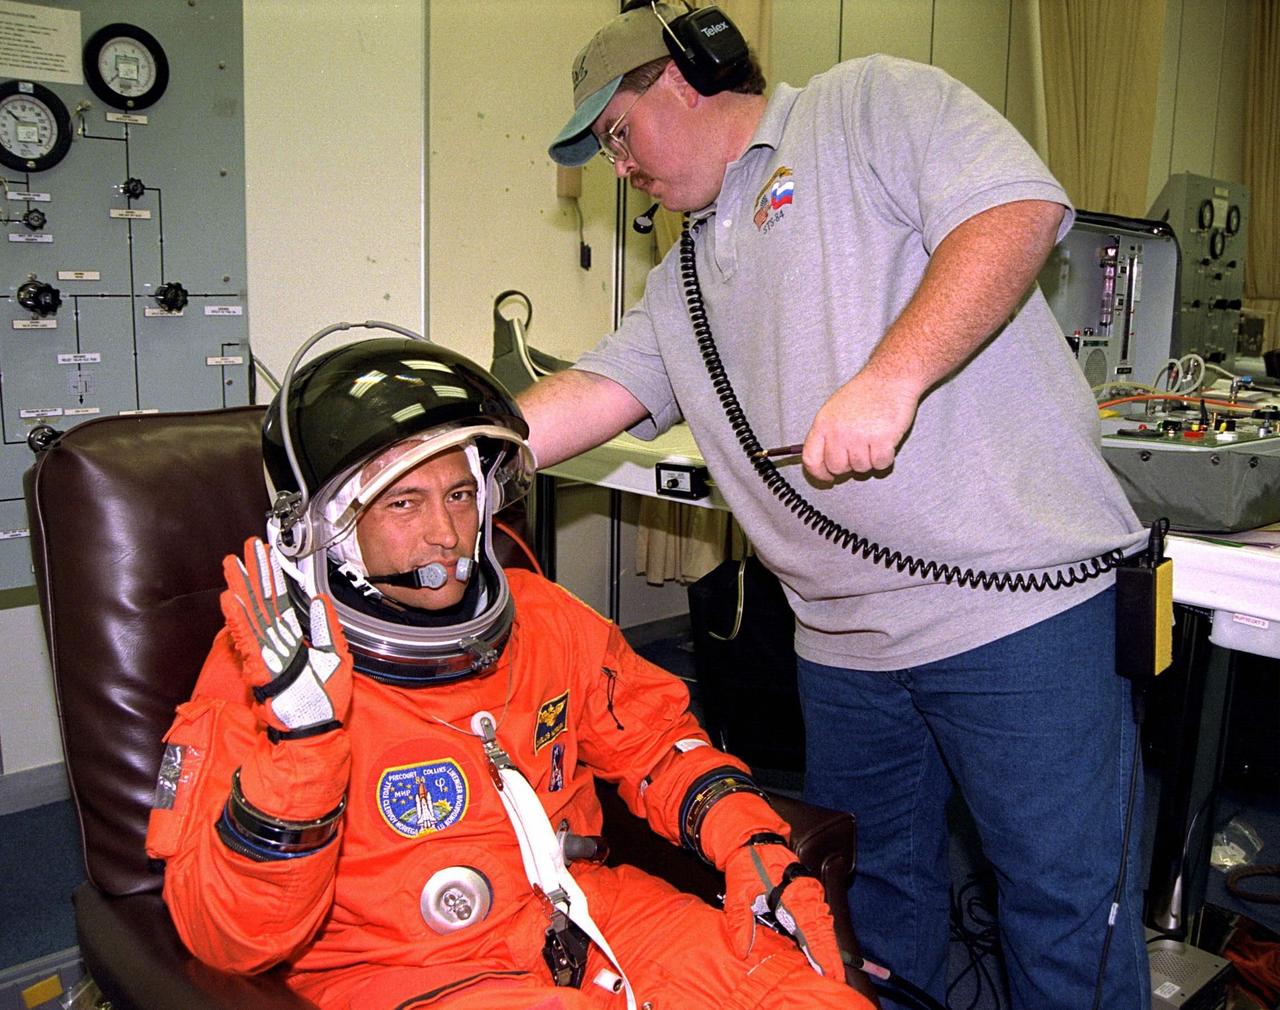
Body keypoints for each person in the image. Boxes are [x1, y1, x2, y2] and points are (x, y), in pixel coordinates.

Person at [524, 4, 1152, 1009]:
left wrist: (888, 377)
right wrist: (443, 450)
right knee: (871, 921)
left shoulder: (865, 105)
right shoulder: (684, 270)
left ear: (685, 76)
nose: (618, 166)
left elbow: (1014, 211)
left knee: (1063, 914)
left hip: (1015, 616)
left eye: (615, 133)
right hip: (845, 648)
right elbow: (600, 388)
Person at [144, 334, 872, 1010]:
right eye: (404, 503)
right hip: (408, 970)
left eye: (460, 495)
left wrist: (749, 838)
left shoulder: (542, 617)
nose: (447, 533)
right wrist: (303, 750)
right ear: (328, 525)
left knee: (805, 996)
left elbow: (654, 744)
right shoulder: (267, 672)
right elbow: (228, 939)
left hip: (582, 914)